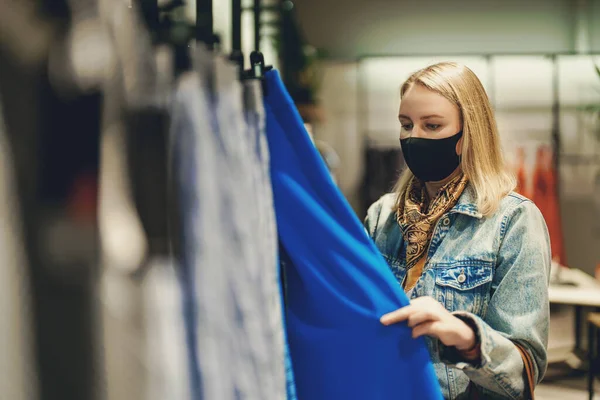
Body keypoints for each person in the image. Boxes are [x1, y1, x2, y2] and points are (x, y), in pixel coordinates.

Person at [364, 62, 551, 399]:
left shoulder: (513, 221)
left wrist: (467, 338)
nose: (413, 137)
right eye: (406, 125)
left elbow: (524, 373)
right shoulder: (382, 216)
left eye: (432, 125)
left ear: (469, 133)